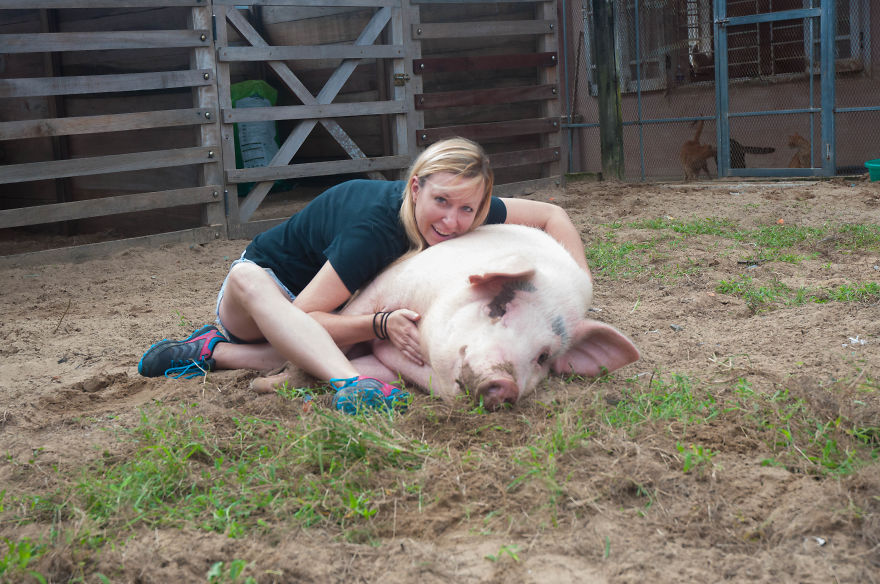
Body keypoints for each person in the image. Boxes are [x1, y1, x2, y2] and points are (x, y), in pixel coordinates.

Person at [138, 137, 591, 412]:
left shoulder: (465, 207)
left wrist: (573, 294)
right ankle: (348, 384)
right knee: (250, 281)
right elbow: (303, 317)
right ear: (416, 187)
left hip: (331, 303)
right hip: (270, 296)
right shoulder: (375, 229)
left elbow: (552, 216)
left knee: (324, 344)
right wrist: (378, 324)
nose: (453, 221)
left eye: (467, 209)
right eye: (442, 203)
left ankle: (210, 354)